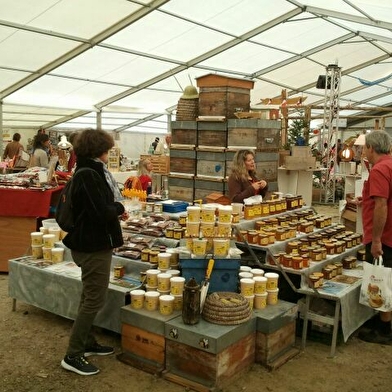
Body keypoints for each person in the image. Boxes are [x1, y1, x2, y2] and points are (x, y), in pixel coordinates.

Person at [60, 128, 126, 376]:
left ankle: (87, 343)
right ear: (100, 150)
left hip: (93, 242)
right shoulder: (89, 175)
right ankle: (73, 354)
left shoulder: (89, 172)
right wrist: (119, 207)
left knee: (89, 297)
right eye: (107, 149)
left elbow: (96, 208)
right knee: (94, 300)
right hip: (92, 245)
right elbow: (100, 212)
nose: (109, 153)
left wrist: (114, 209)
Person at [357, 130, 392, 345]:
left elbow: (381, 205)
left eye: (364, 148)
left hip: (384, 236)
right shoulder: (390, 164)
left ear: (371, 148)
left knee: (381, 280)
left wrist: (376, 240)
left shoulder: (379, 169)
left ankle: (384, 330)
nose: (363, 151)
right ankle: (382, 321)